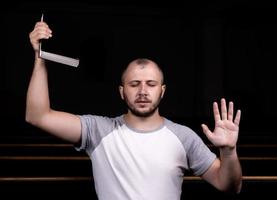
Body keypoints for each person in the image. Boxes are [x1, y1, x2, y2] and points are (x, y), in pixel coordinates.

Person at [26, 20, 242, 200]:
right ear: (122, 91)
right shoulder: (99, 130)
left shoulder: (183, 137)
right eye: (134, 84)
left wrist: (229, 151)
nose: (142, 91)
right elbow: (38, 116)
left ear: (162, 91)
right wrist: (39, 57)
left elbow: (229, 186)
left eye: (151, 84)